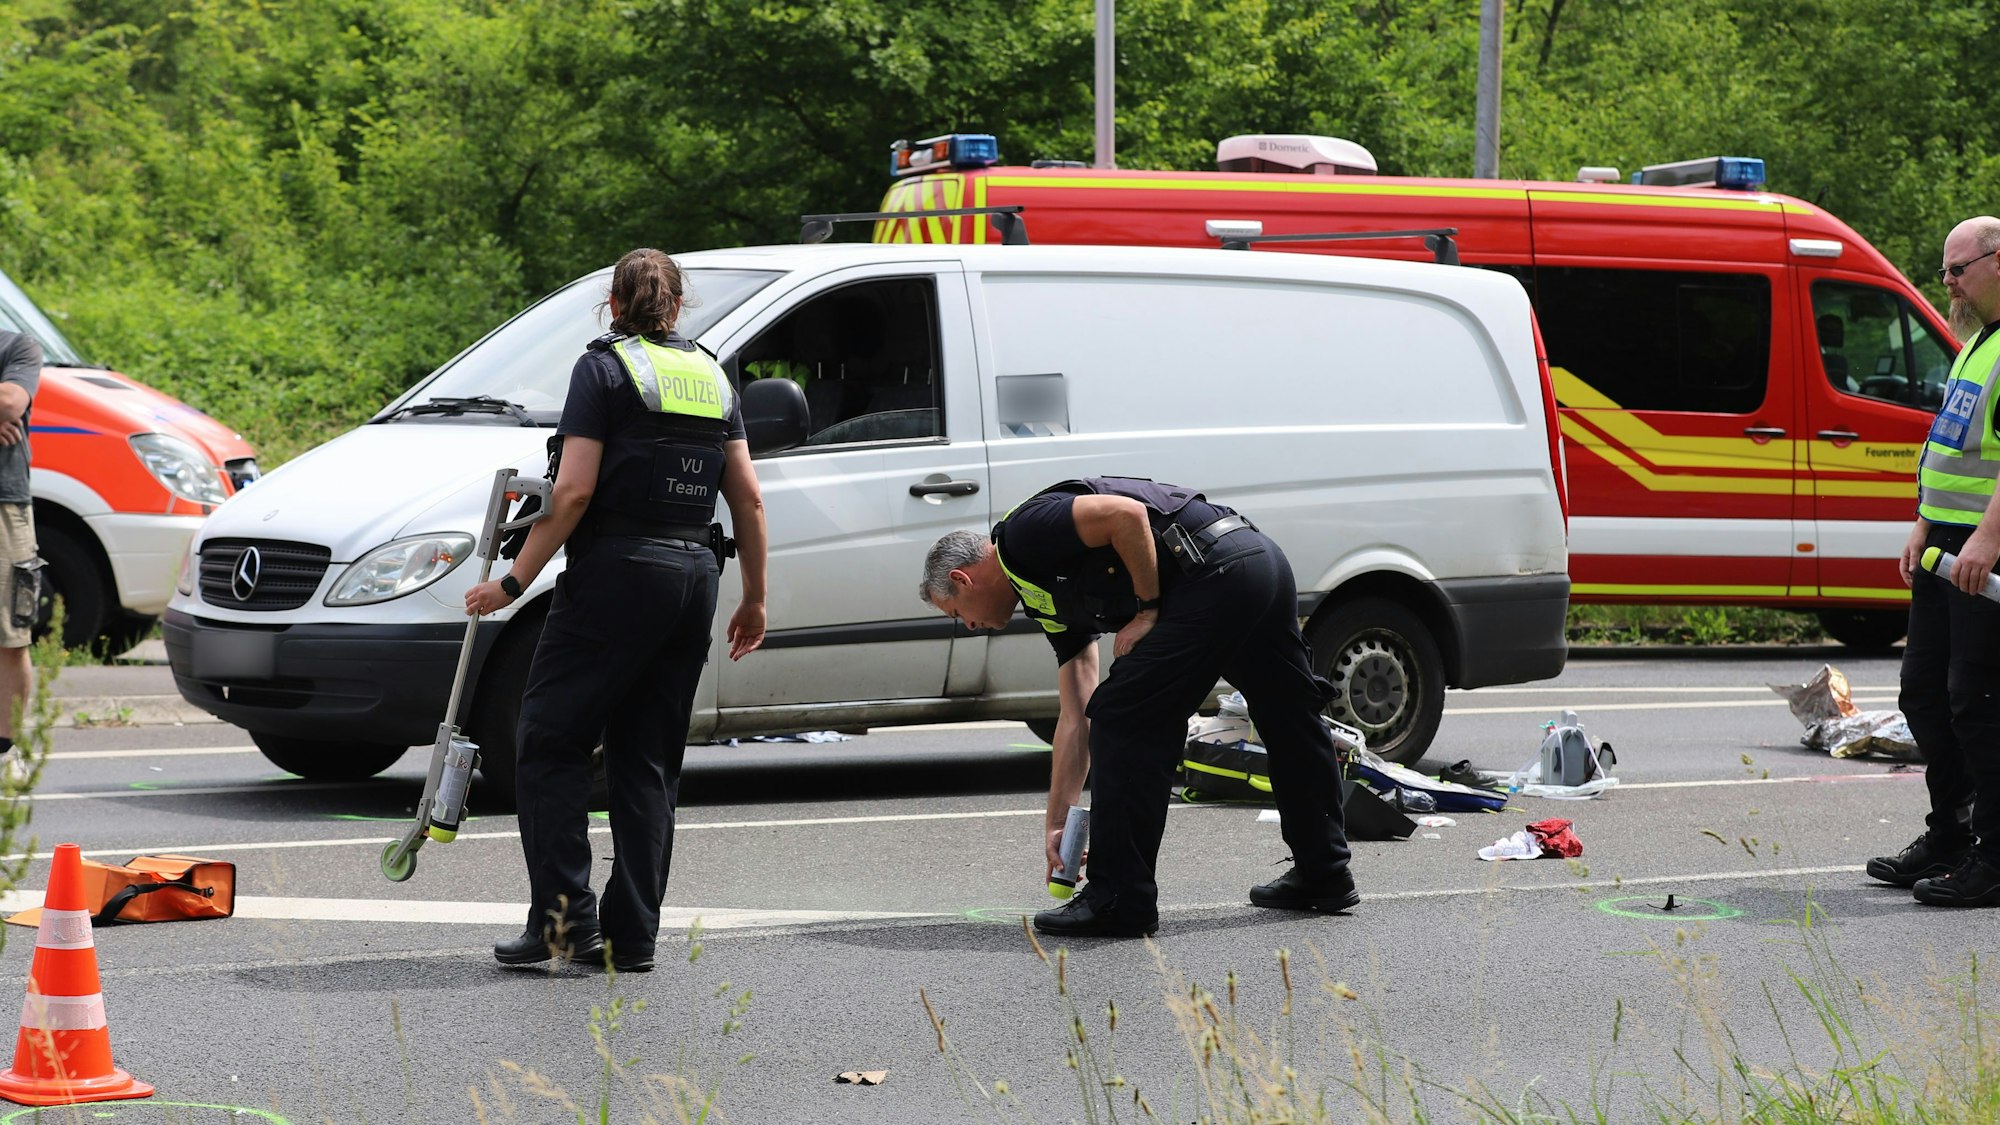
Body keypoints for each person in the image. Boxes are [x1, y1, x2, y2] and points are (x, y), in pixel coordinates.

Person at [467, 248, 770, 969]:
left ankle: (566, 925)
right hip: (696, 576)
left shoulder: (601, 370)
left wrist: (510, 583)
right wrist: (755, 595)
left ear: (613, 303)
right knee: (647, 761)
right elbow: (748, 497)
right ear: (678, 305)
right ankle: (633, 937)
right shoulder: (709, 372)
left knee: (547, 740)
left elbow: (571, 494)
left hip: (617, 574)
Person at [918, 477, 1355, 937]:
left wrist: (1147, 609)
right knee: (1288, 715)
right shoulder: (1040, 593)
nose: (968, 625)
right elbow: (1076, 714)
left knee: (1126, 718)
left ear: (961, 579)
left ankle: (1120, 898)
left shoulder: (1025, 532)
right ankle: (1323, 872)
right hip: (1252, 563)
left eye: (956, 613)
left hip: (1215, 572)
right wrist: (1058, 826)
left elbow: (1126, 515)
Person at [1871, 215, 2000, 907]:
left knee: (1977, 704)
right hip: (1945, 548)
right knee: (1924, 694)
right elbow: (1945, 447)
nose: (1947, 281)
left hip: (1984, 552)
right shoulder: (1976, 343)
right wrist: (1921, 526)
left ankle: (1995, 854)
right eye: (1945, 270)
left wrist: (1985, 539)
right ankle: (1951, 832)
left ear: (1998, 261)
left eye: (1957, 269)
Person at [0, 327, 37, 768]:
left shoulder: (17, 346)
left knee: (10, 635)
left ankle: (4, 755)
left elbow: (11, 403)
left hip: (5, 507)